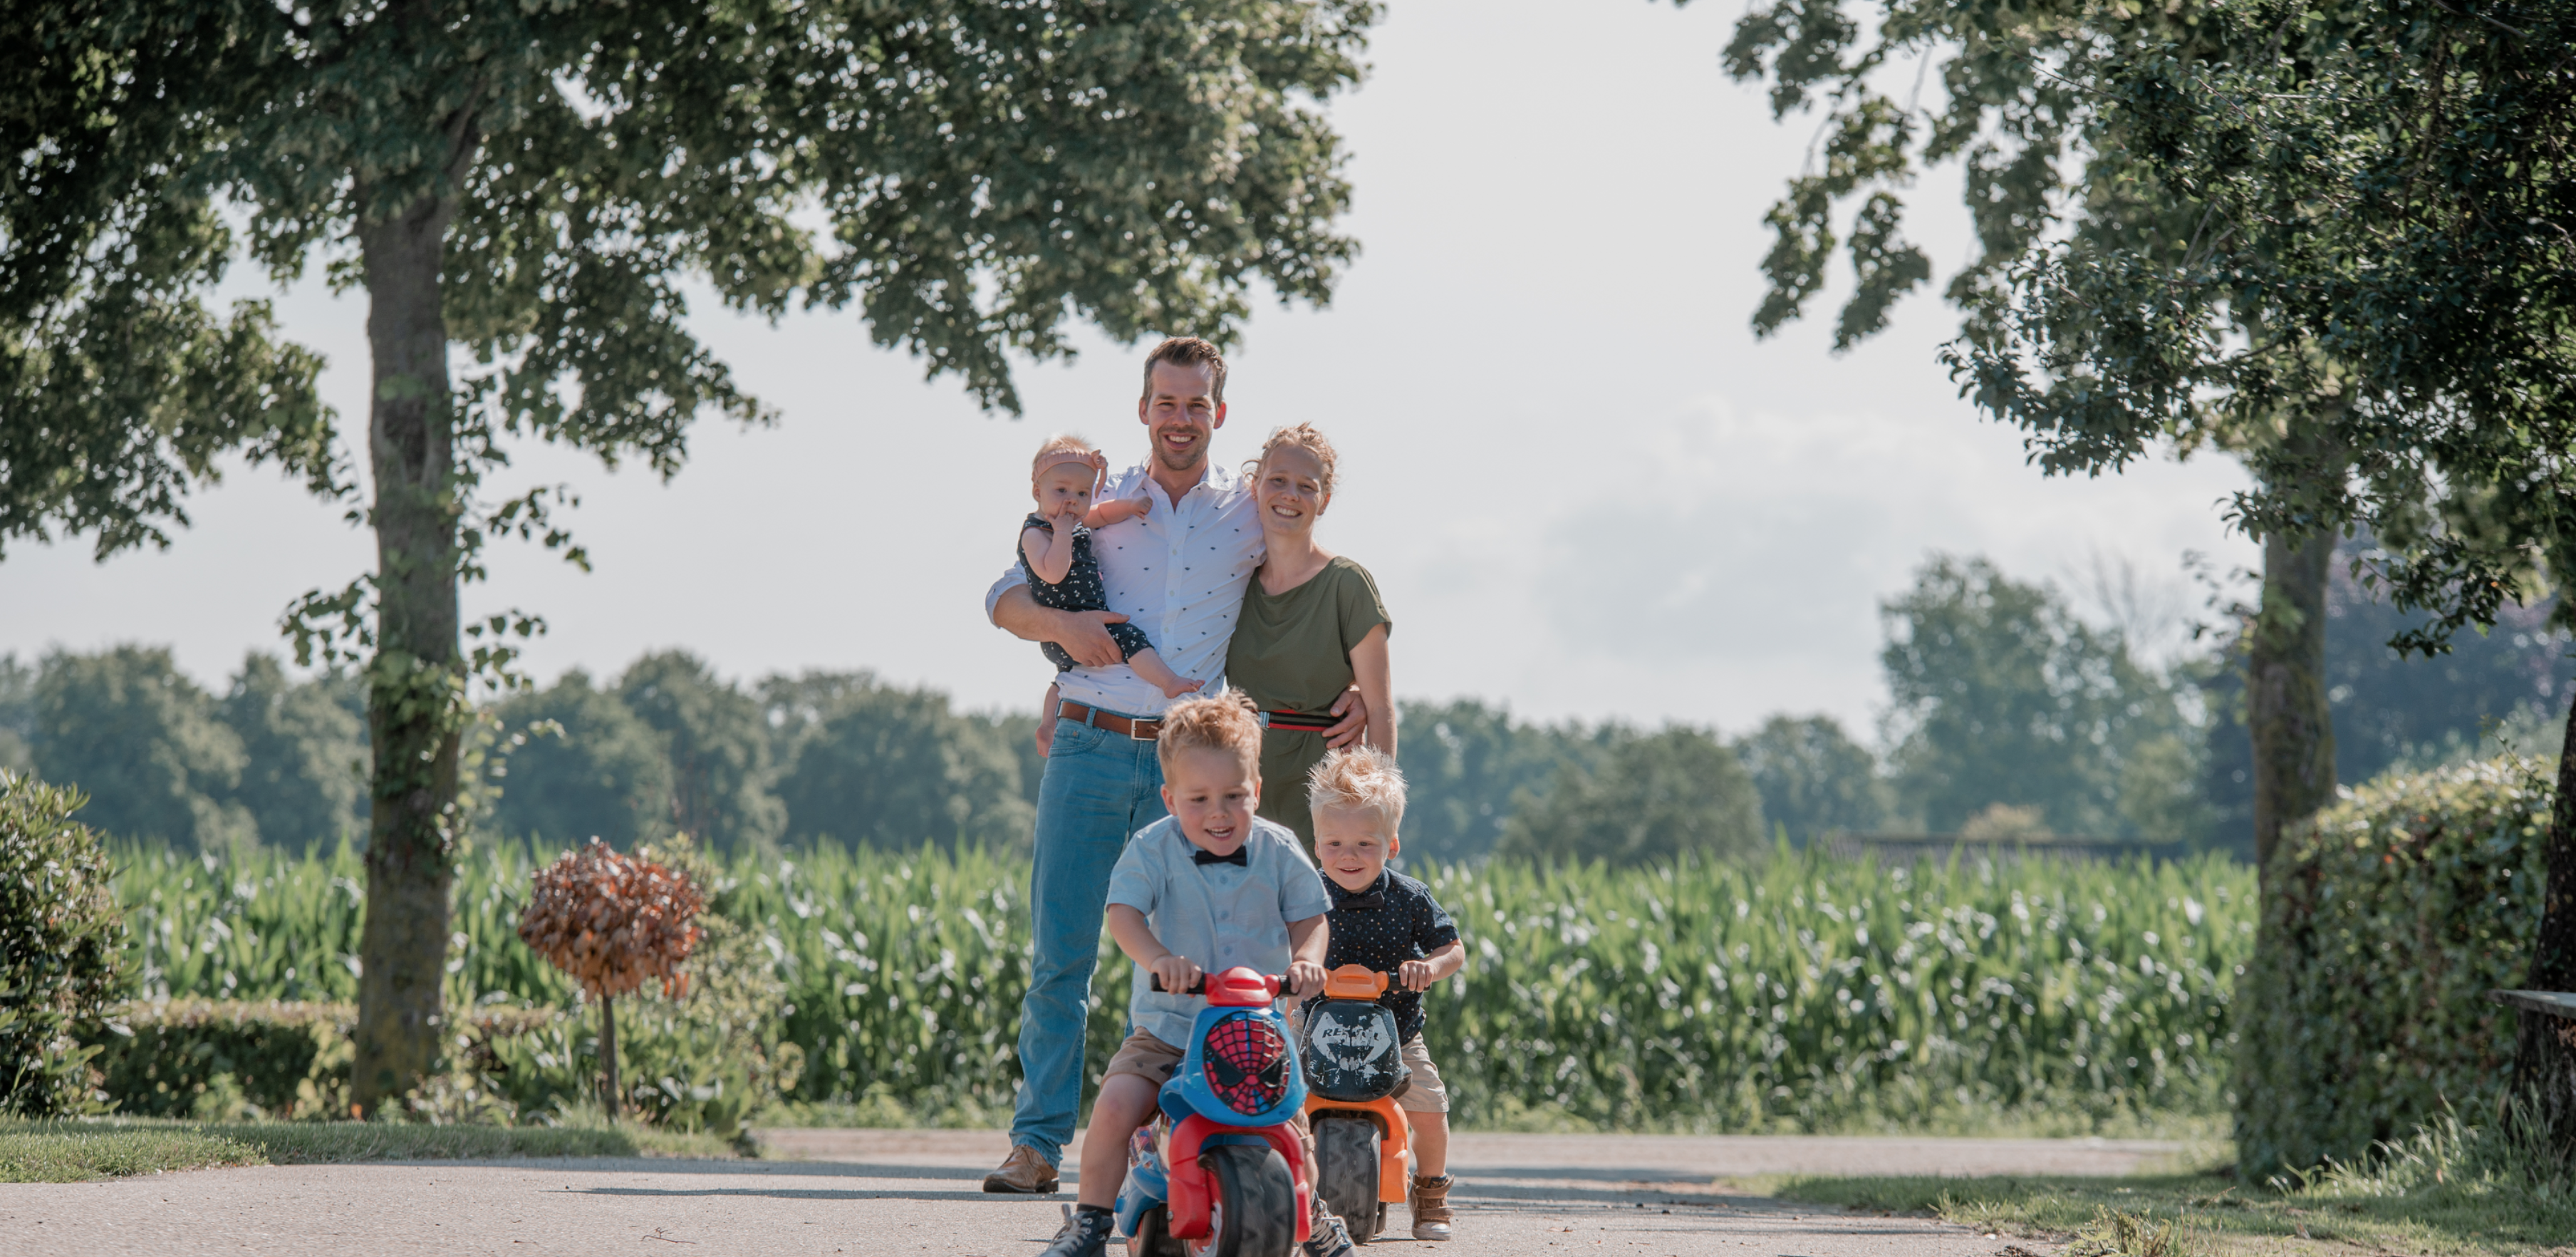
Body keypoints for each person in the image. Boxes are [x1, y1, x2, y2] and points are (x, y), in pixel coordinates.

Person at [980, 338, 1368, 1195]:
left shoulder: (1244, 510)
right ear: (1144, 409)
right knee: (1062, 955)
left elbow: (1303, 586)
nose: (1180, 418)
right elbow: (1004, 597)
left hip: (1188, 772)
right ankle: (1037, 1143)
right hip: (1085, 742)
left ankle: (1154, 1148)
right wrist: (1061, 632)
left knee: (1185, 961)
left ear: (1217, 414)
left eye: (1196, 404)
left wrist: (1354, 685)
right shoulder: (1095, 498)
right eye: (1166, 402)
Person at [1037, 694, 1354, 1257]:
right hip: (1169, 1030)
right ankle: (1088, 1222)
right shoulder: (1152, 847)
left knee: (1295, 1127)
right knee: (1115, 1105)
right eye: (1199, 799)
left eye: (1235, 797)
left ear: (1256, 789)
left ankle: (1312, 1212)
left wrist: (1307, 959)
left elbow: (1311, 915)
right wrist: (1158, 958)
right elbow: (1124, 913)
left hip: (1254, 1034)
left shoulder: (1279, 849)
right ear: (1169, 798)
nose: (1219, 814)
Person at [1302, 745, 1466, 1241]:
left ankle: (1431, 1191)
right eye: (1334, 844)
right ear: (1316, 844)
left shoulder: (1410, 897)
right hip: (1315, 1027)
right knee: (1278, 1103)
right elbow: (1275, 941)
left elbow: (1453, 951)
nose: (1348, 856)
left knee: (1430, 1112)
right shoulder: (1306, 894)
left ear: (1391, 845)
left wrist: (1427, 968)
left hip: (1396, 1031)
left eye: (1364, 845)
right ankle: (1286, 1186)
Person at [1225, 424, 1393, 847]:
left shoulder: (1347, 584)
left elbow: (1380, 708)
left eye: (1307, 486)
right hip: (1242, 780)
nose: (1290, 495)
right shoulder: (1231, 581)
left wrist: (1378, 809)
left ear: (1324, 501)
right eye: (1278, 480)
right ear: (1255, 486)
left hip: (1324, 788)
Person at [1017, 434, 1200, 699]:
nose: (1072, 500)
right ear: (1037, 492)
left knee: (1065, 679)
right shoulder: (1035, 534)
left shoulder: (1073, 521)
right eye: (1061, 490)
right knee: (1129, 638)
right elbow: (1054, 574)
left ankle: (1048, 724)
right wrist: (1063, 533)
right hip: (1068, 628)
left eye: (1082, 493)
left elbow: (1102, 513)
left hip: (1087, 618)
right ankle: (1168, 681)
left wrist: (1130, 507)